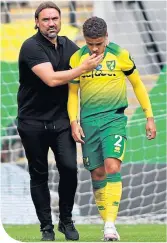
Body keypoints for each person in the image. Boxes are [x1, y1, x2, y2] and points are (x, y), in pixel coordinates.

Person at [17, 2, 103, 241]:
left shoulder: (68, 45)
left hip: (61, 122)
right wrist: (83, 67)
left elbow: (92, 56)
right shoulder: (31, 47)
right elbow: (53, 79)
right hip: (32, 122)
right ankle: (46, 227)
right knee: (39, 174)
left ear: (60, 20)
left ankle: (66, 221)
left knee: (69, 168)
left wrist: (102, 50)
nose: (51, 23)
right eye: (45, 19)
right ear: (37, 22)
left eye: (55, 18)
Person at [67, 16, 156, 241]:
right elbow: (72, 94)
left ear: (107, 37)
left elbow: (137, 84)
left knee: (112, 166)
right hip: (88, 123)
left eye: (99, 43)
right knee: (97, 173)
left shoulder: (121, 55)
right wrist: (74, 121)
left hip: (114, 119)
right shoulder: (77, 58)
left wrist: (149, 116)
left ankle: (109, 225)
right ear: (85, 40)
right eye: (90, 43)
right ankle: (106, 222)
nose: (95, 48)